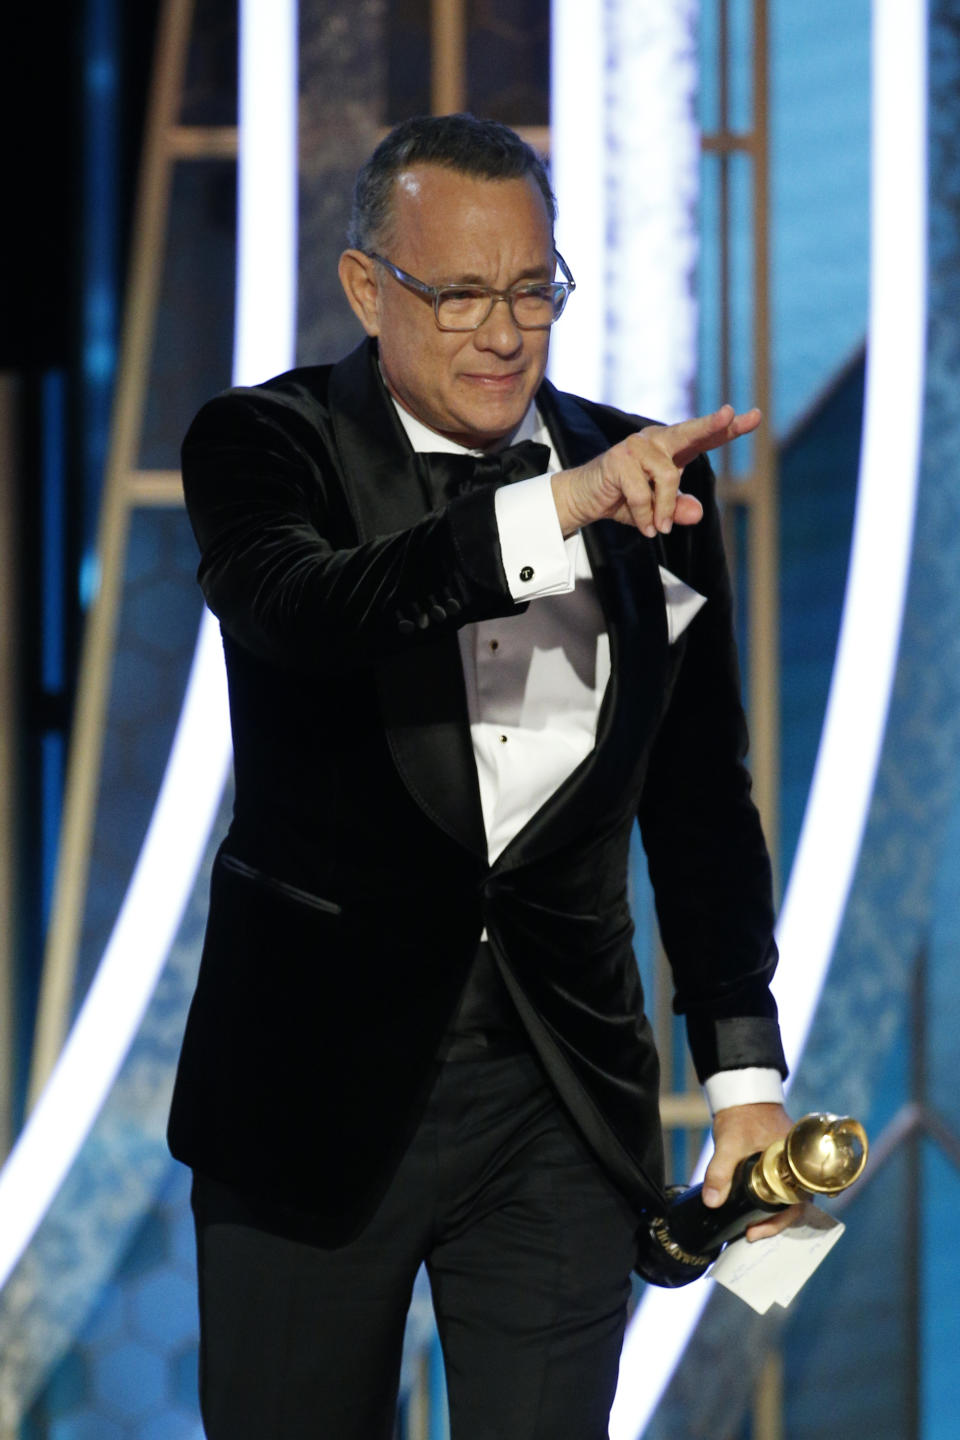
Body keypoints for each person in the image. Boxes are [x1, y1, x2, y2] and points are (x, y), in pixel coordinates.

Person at [168, 113, 796, 1440]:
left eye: (532, 290)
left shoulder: (652, 483)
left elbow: (699, 807)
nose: (506, 333)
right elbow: (310, 608)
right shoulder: (263, 446)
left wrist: (746, 1088)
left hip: (559, 1098)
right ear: (366, 288)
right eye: (460, 295)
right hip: (312, 1100)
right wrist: (550, 512)